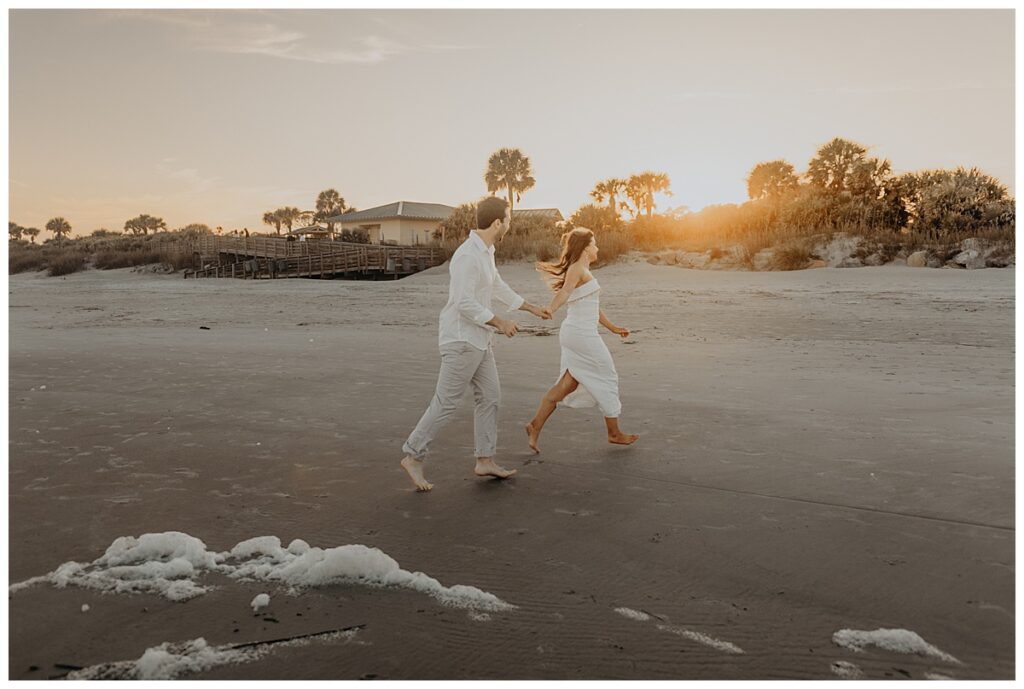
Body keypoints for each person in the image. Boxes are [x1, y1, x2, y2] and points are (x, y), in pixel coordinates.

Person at [400, 196, 552, 491]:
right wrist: (500, 322)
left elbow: (497, 285)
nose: (509, 224)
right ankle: (413, 455)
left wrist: (531, 308)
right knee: (445, 403)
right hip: (461, 339)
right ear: (498, 222)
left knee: (490, 396)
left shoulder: (487, 251)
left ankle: (485, 460)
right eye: (508, 219)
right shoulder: (468, 255)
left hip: (479, 340)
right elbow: (463, 302)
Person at [525, 228, 639, 453]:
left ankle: (534, 425)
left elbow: (592, 307)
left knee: (567, 385)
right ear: (586, 247)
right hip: (581, 335)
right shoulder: (578, 268)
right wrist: (551, 308)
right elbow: (565, 292)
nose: (597, 248)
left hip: (577, 334)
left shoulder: (583, 269)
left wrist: (613, 328)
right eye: (594, 244)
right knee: (607, 376)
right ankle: (614, 433)